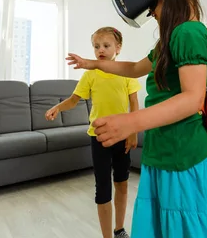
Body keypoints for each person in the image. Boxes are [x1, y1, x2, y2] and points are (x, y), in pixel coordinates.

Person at [66, 0, 207, 238]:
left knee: (190, 227)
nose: (152, 13)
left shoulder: (189, 33)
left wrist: (131, 122)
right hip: (163, 152)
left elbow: (192, 98)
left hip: (186, 154)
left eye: (154, 4)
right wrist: (94, 63)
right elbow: (135, 68)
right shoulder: (169, 39)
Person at [46, 27, 141, 238]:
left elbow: (134, 103)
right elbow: (73, 100)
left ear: (118, 48)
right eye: (97, 46)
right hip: (99, 137)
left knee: (122, 184)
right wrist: (58, 108)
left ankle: (120, 229)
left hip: (123, 136)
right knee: (103, 188)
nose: (101, 50)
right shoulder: (90, 75)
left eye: (106, 46)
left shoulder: (126, 72)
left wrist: (133, 131)